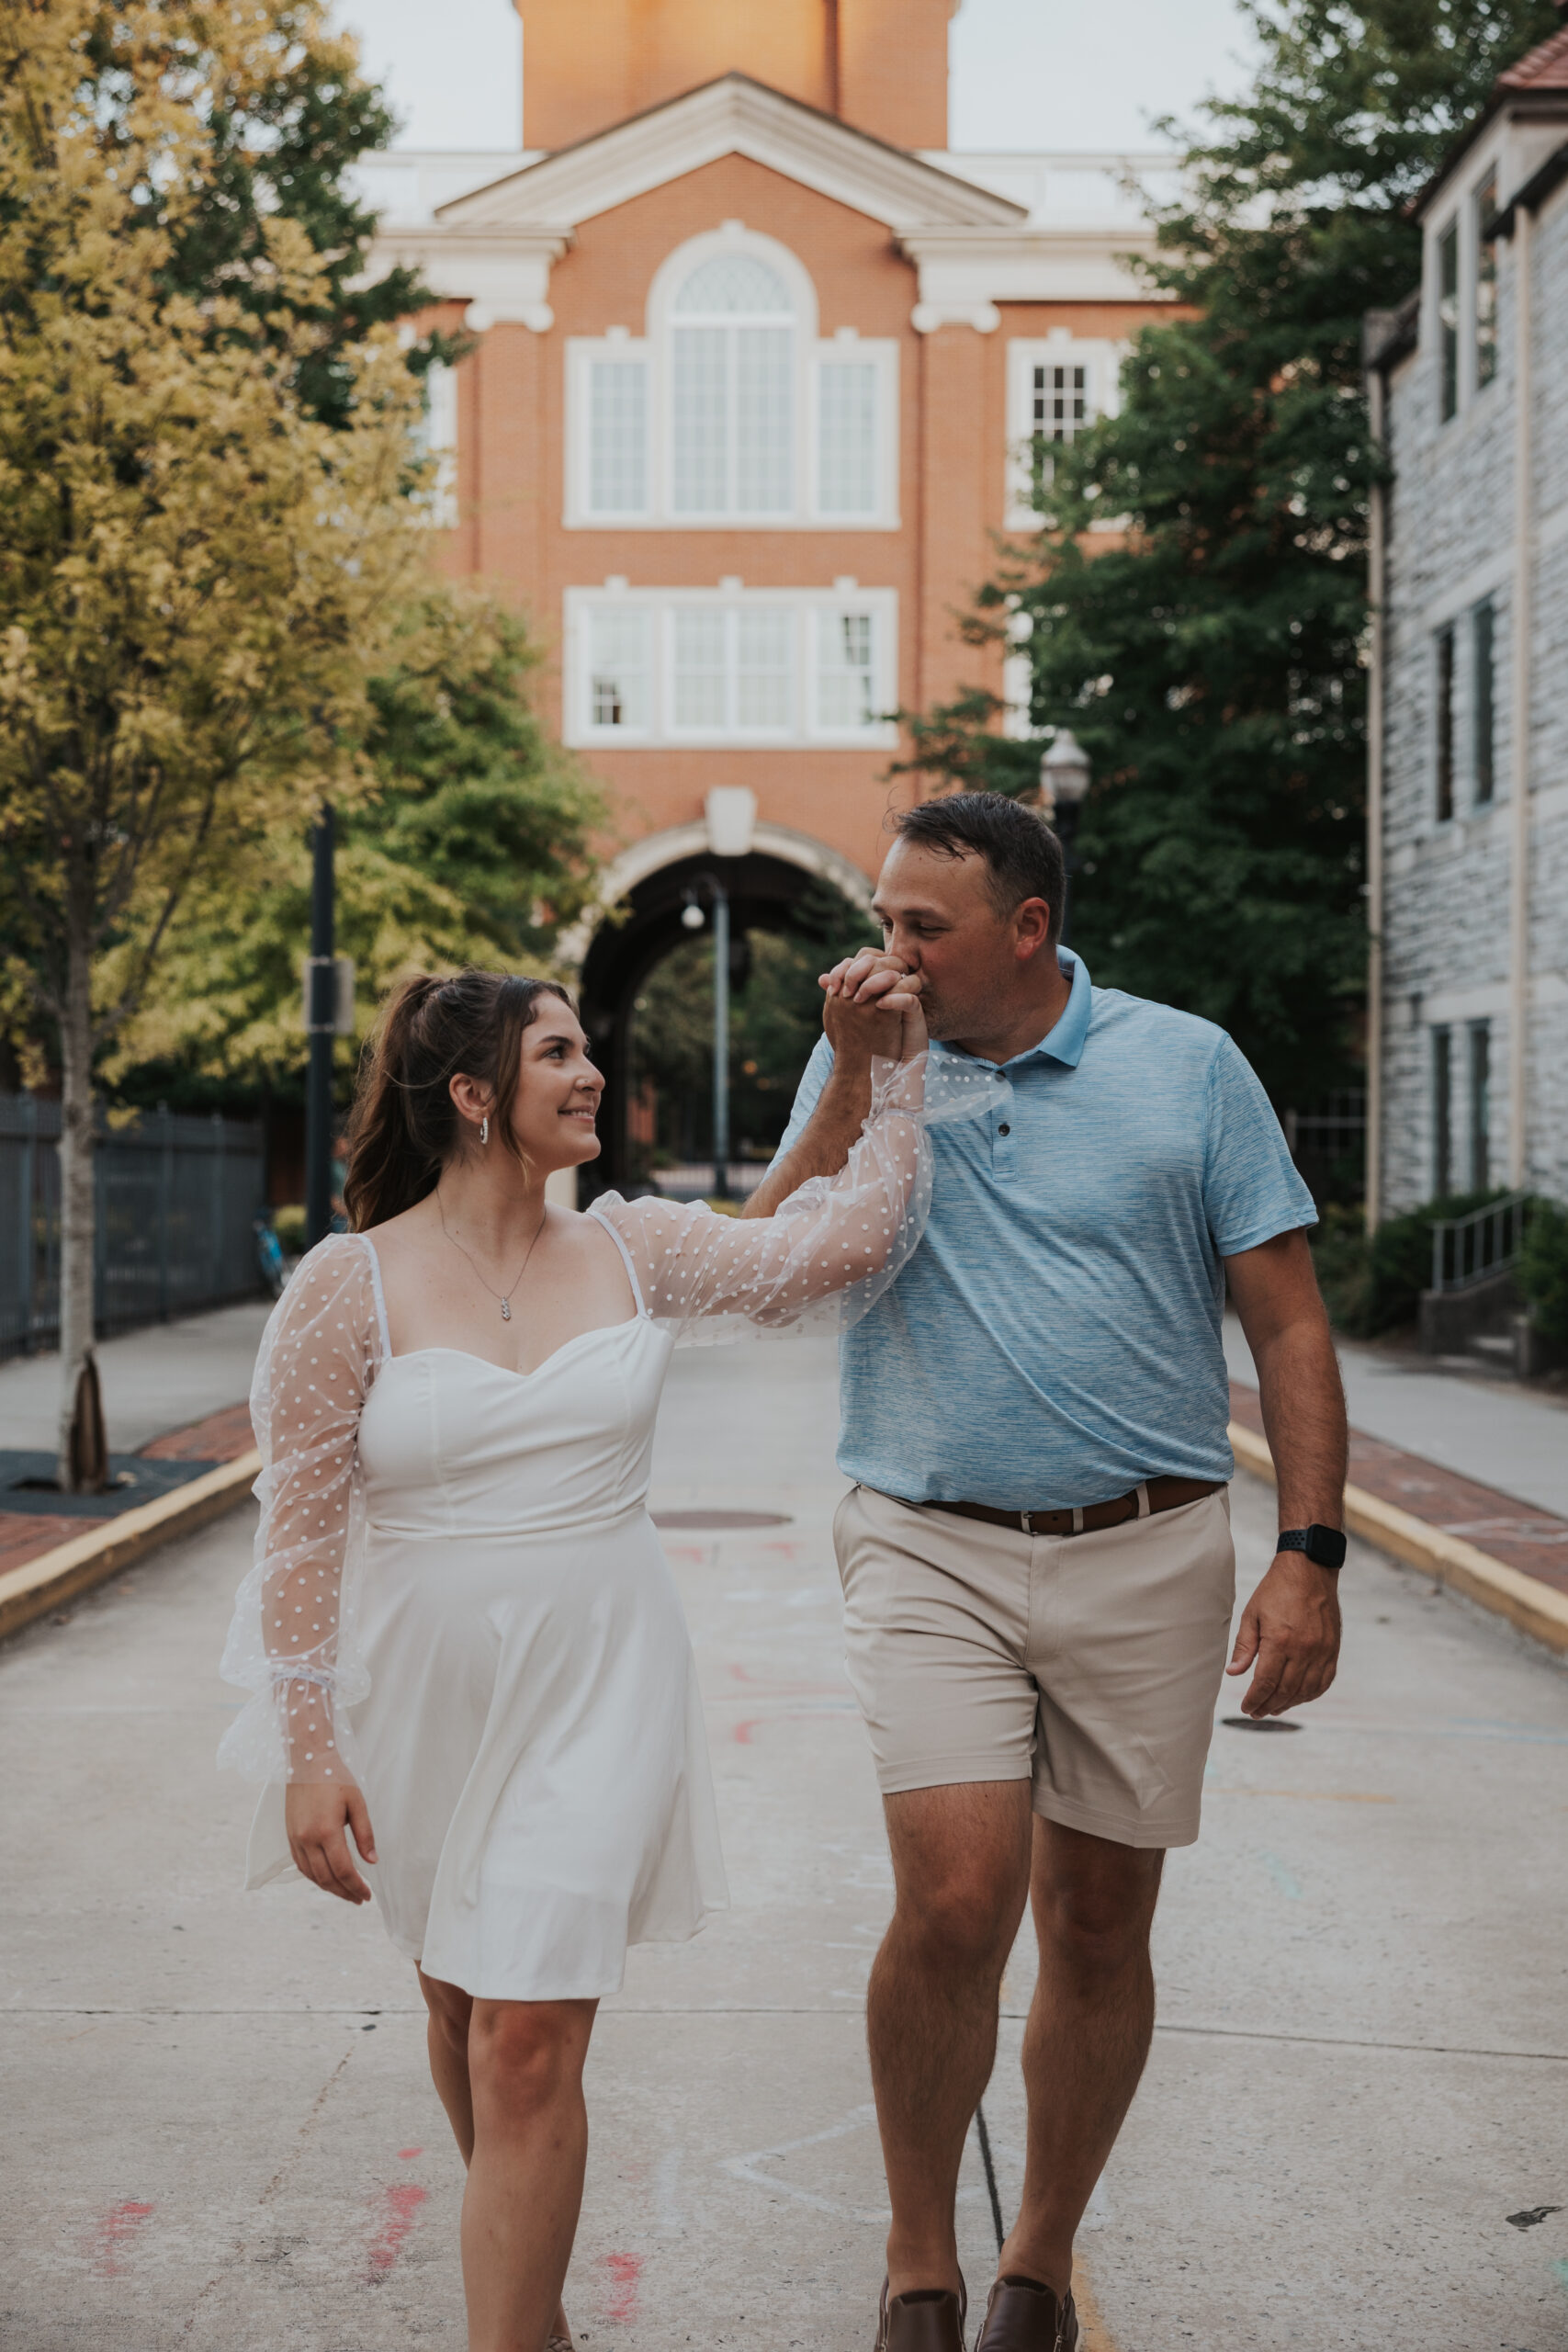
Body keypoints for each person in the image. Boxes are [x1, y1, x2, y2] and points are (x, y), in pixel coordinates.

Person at [218, 965, 989, 2352]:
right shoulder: (351, 1288)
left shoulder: (636, 1248)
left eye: (585, 1048)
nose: (589, 1075)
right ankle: (538, 2315)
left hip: (600, 1678)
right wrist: (310, 1752)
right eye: (558, 1053)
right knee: (464, 2015)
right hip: (425, 1692)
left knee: (525, 2040)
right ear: (470, 1097)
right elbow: (299, 1536)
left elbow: (842, 1243)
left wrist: (895, 1070)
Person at [743, 794, 1348, 2352]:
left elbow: (1287, 1323)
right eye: (882, 922)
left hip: (1146, 1549)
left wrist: (1309, 1554)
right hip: (929, 1535)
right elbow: (760, 1272)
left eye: (919, 928)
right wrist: (850, 1093)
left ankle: (1039, 2265)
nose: (889, 954)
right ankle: (917, 2259)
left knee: (1095, 1925)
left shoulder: (1187, 1065)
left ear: (1028, 931)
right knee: (954, 1901)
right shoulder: (869, 1056)